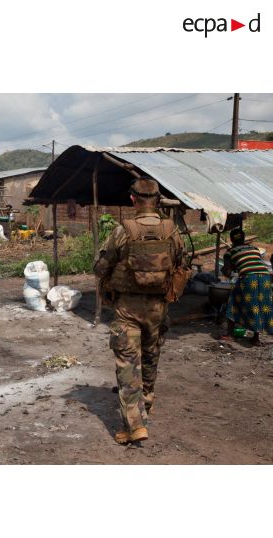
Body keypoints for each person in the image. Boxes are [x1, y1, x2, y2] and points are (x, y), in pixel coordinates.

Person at [94, 177, 185, 445]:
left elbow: (101, 268)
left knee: (127, 366)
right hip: (158, 308)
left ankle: (134, 426)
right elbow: (181, 264)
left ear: (132, 199)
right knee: (150, 360)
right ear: (157, 200)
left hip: (127, 309)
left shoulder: (124, 230)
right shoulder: (171, 230)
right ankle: (146, 406)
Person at [221, 228, 273, 346]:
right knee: (260, 304)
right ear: (244, 238)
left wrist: (225, 269)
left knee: (233, 302)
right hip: (265, 276)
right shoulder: (254, 248)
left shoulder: (230, 251)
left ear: (231, 239)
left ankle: (229, 334)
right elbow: (253, 262)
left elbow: (228, 271)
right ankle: (256, 338)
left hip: (249, 277)